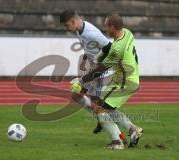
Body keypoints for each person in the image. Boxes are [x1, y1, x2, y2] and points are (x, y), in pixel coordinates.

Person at [73, 13, 143, 149]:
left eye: (107, 26)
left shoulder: (117, 48)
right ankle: (133, 130)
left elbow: (101, 69)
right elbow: (103, 63)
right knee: (107, 108)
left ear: (112, 26)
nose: (105, 30)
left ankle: (117, 143)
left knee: (99, 110)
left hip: (124, 82)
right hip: (130, 79)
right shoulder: (128, 33)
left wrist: (82, 80)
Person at [60, 9, 127, 143]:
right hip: (94, 69)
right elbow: (90, 49)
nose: (67, 29)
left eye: (67, 25)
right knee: (78, 95)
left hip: (104, 71)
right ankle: (113, 128)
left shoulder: (91, 33)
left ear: (73, 21)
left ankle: (119, 138)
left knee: (99, 107)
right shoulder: (79, 29)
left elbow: (110, 48)